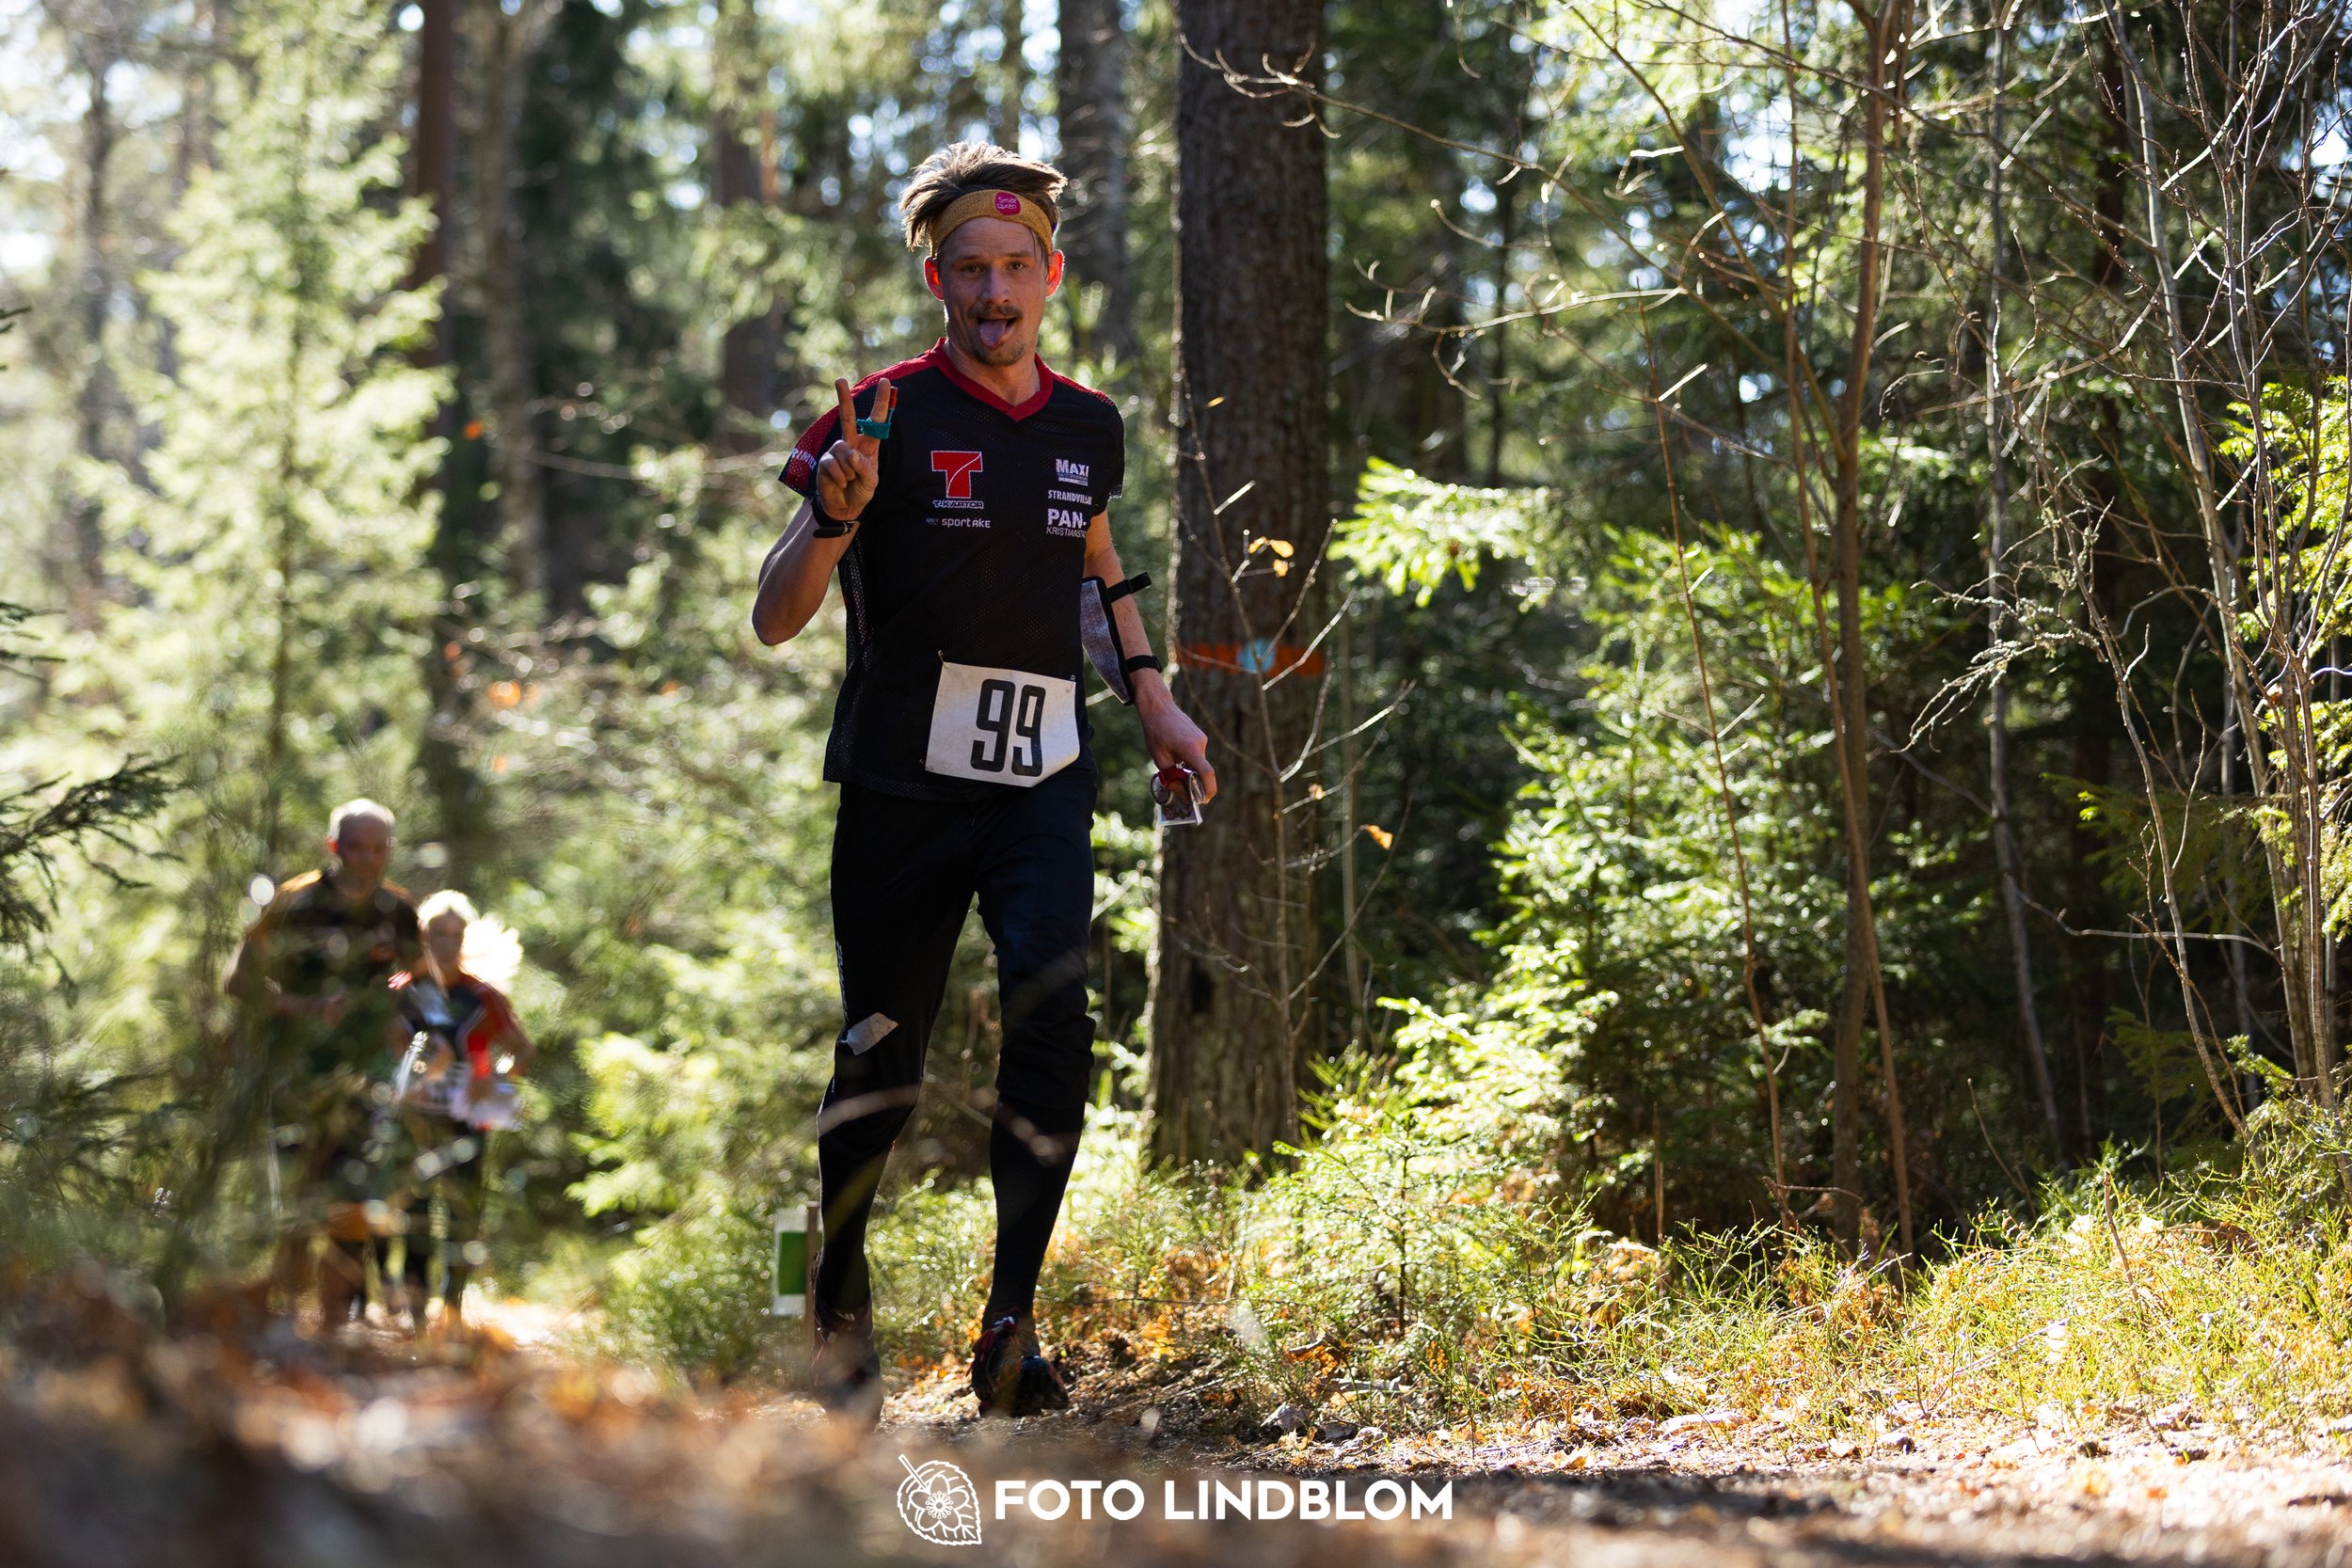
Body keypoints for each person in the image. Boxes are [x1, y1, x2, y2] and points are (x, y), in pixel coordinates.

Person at [752, 140, 1216, 1421]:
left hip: (1041, 781)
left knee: (1053, 1029)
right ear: (936, 279)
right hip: (902, 785)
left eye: (1017, 267)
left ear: (1052, 276)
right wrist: (837, 509)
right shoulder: (877, 416)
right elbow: (776, 614)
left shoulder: (1087, 424)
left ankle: (1009, 1328)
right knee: (881, 1059)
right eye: (971, 269)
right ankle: (836, 1291)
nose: (995, 292)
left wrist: (1158, 697)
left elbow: (1094, 567)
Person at [223, 799, 421, 1325]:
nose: (367, 858)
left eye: (378, 849)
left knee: (356, 1188)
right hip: (295, 1071)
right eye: (356, 847)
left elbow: (411, 973)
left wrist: (389, 1001)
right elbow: (239, 980)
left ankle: (345, 1315)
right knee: (296, 1190)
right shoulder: (295, 901)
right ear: (334, 847)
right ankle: (284, 1310)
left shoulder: (397, 910)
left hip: (365, 1073)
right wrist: (298, 1005)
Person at [386, 890, 534, 1327]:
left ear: (466, 938)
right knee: (410, 1211)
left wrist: (498, 1079)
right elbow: (373, 1047)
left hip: (465, 1121)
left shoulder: (483, 997)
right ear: (422, 935)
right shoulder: (400, 990)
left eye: (457, 933)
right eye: (438, 932)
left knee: (461, 1214)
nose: (448, 942)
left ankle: (451, 1307)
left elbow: (523, 1050)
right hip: (410, 1119)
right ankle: (414, 1307)